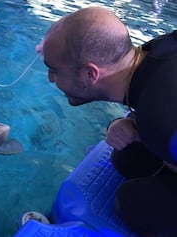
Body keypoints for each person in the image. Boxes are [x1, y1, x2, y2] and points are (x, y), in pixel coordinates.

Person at [36, 6, 177, 237]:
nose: (51, 79)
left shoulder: (161, 120)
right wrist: (134, 123)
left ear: (90, 74)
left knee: (135, 205)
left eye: (53, 70)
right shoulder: (157, 51)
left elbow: (166, 119)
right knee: (128, 156)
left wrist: (158, 138)